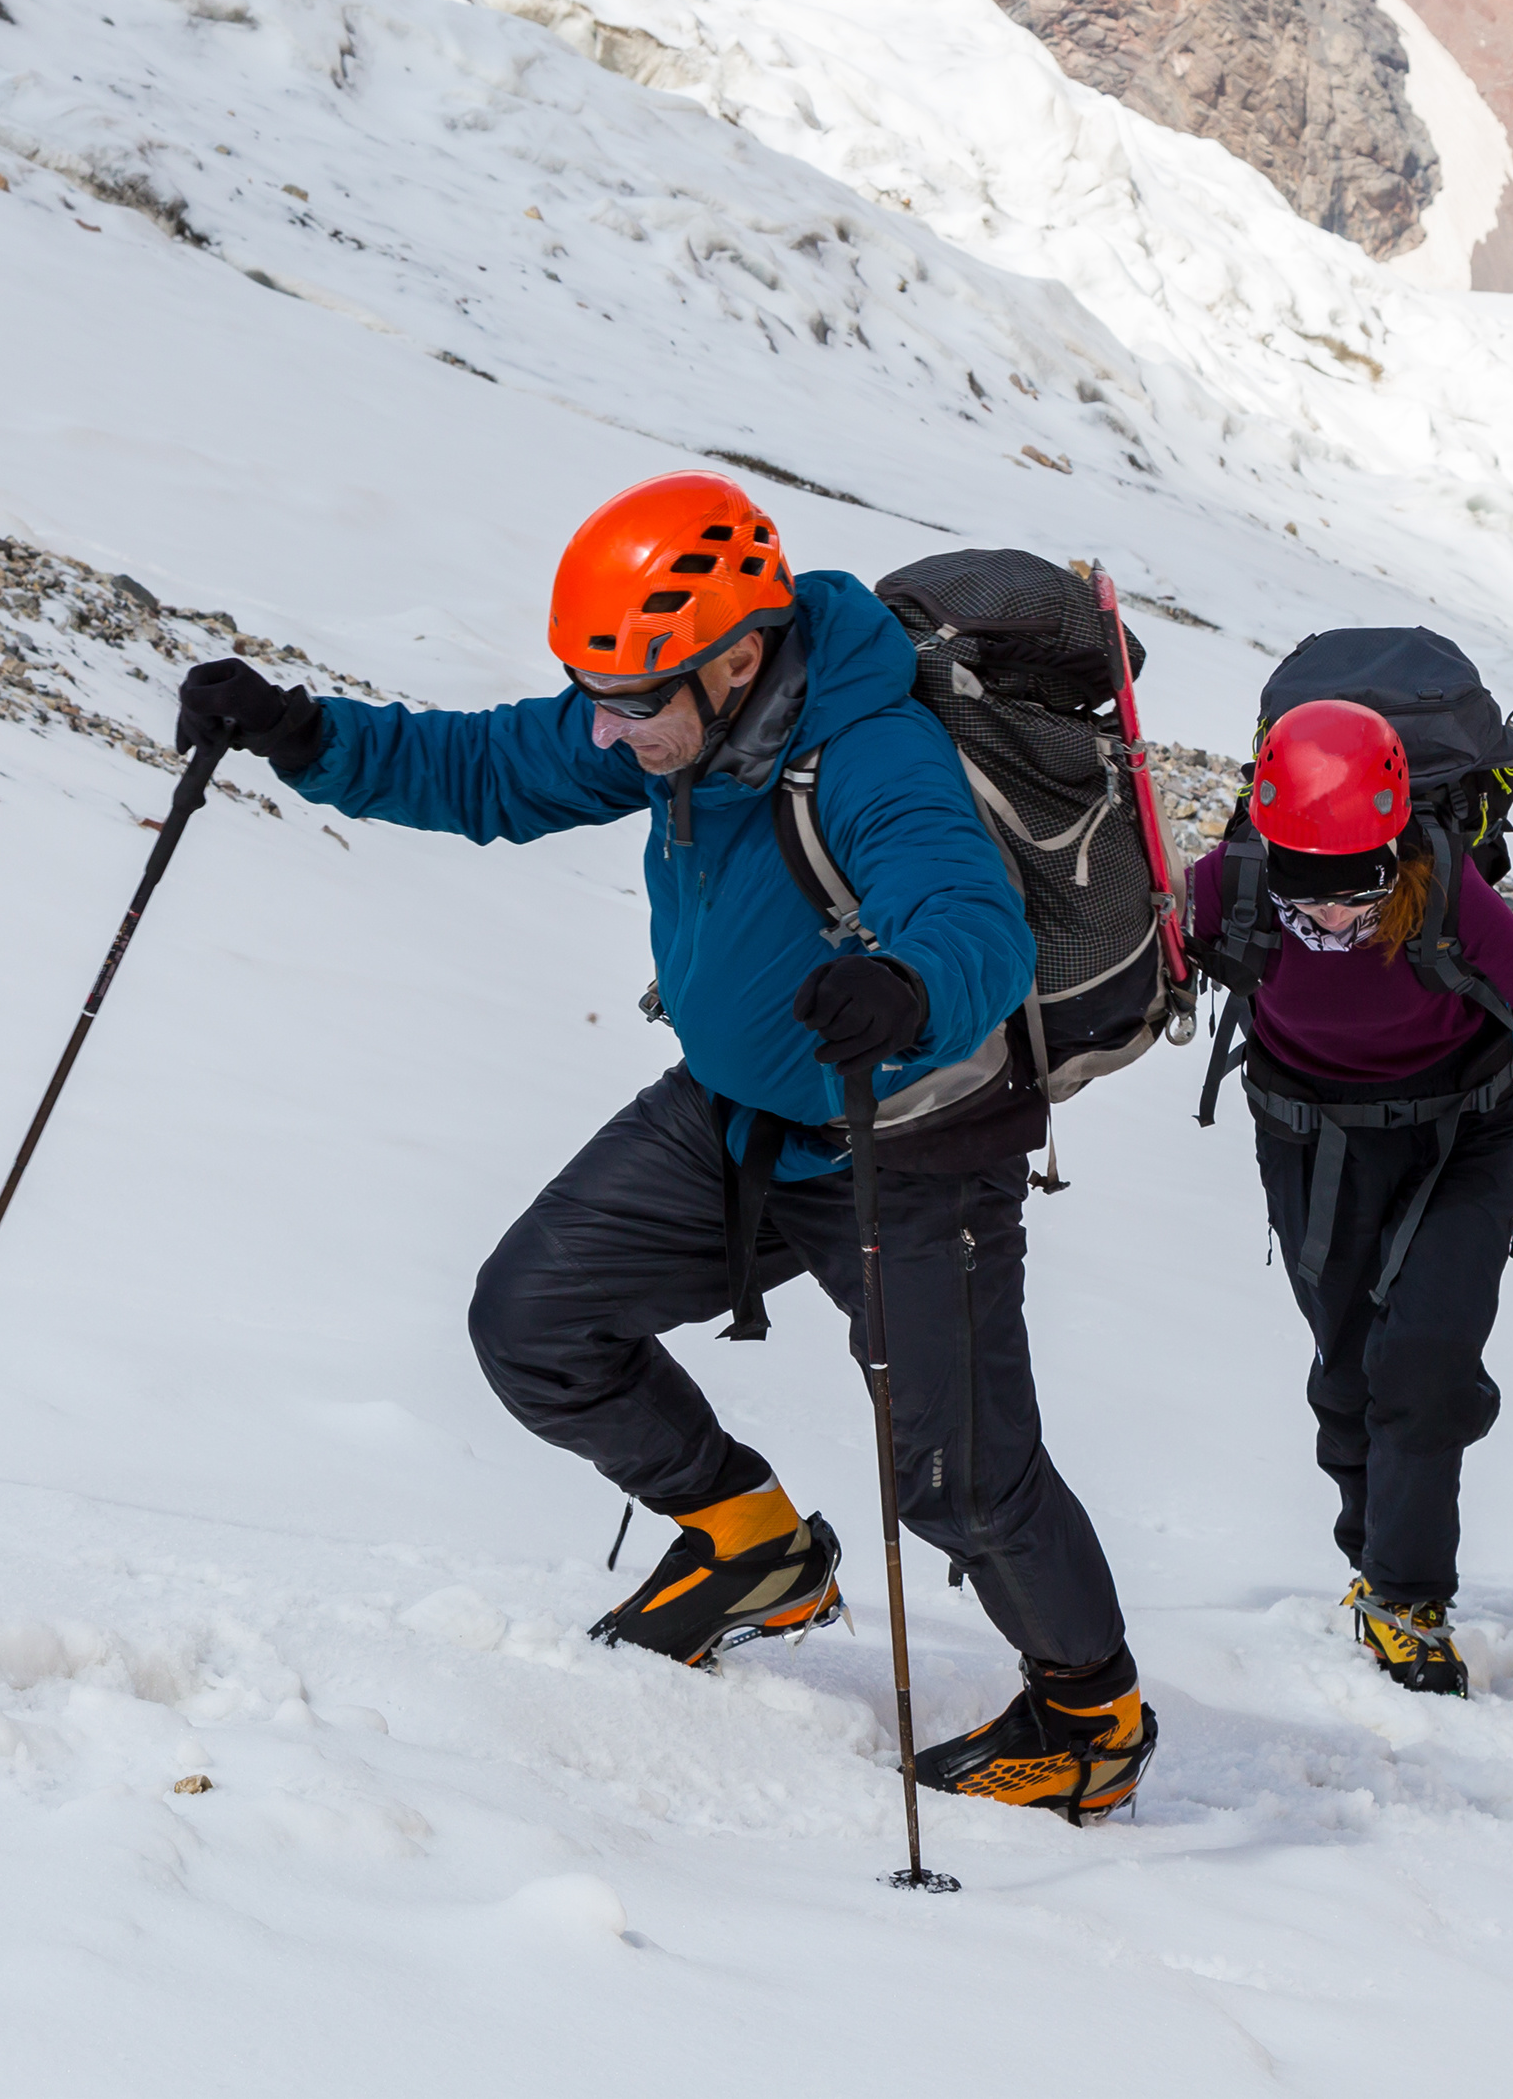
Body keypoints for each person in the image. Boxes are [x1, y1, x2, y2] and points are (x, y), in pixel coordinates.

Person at [172, 472, 1153, 1821]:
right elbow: (490, 768)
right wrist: (299, 732)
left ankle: (1091, 1712)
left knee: (961, 1480)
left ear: (740, 656)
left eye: (632, 699)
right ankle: (753, 1545)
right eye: (597, 693)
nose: (607, 727)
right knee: (532, 1322)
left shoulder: (873, 750)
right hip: (737, 1118)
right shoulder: (678, 719)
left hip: (909, 1150)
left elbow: (964, 911)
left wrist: (910, 986)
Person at [1189, 699, 1513, 1698]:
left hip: (1463, 1137)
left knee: (1427, 1360)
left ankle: (1408, 1596)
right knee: (1351, 1364)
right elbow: (1135, 962)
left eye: (1356, 885)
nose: (1327, 914)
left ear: (1396, 843)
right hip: (1311, 1142)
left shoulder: (1445, 887)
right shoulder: (1229, 886)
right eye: (1304, 886)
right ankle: (1375, 1554)